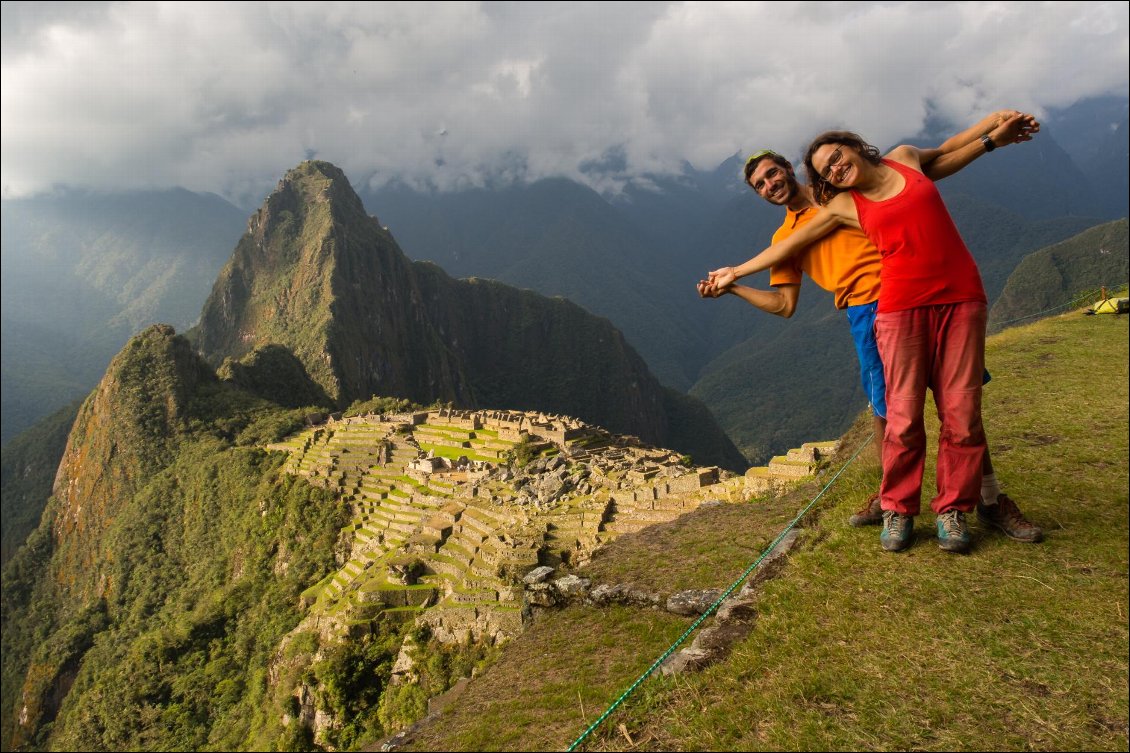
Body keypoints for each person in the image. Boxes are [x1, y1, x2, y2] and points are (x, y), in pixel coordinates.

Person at [704, 113, 1039, 553]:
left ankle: (987, 498)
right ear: (759, 196)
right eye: (760, 186)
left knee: (959, 403)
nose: (770, 185)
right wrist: (736, 285)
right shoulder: (792, 233)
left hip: (923, 292)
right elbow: (784, 304)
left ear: (789, 168)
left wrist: (992, 128)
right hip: (870, 312)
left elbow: (935, 160)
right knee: (890, 411)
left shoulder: (847, 190)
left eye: (772, 173)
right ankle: (894, 501)